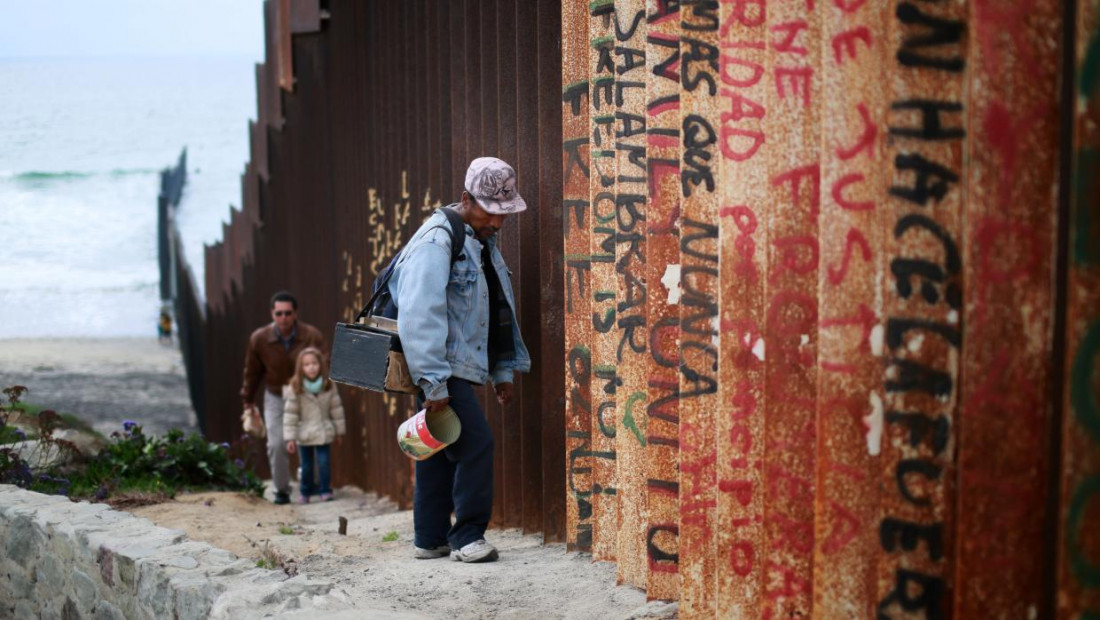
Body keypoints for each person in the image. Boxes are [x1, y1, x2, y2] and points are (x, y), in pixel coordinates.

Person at [388, 156, 531, 563]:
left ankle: (429, 538)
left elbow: (497, 307)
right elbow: (419, 315)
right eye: (492, 211)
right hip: (438, 368)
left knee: (435, 448)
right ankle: (467, 537)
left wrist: (502, 370)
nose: (499, 222)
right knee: (477, 444)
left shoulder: (479, 237)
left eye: (504, 213)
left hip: (451, 366)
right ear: (467, 198)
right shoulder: (438, 240)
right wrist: (433, 383)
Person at [240, 291, 325, 505]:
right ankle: (282, 489)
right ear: (272, 313)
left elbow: (325, 364)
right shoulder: (259, 339)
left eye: (288, 313)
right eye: (279, 313)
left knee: (311, 438)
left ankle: (311, 483)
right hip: (275, 396)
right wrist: (248, 399)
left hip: (305, 395)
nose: (283, 318)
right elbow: (252, 371)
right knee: (276, 443)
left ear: (295, 313)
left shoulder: (311, 336)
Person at [283, 346, 345, 504]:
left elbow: (336, 409)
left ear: (320, 365)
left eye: (314, 363)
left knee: (324, 463)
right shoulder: (296, 387)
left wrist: (339, 432)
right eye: (306, 364)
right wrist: (290, 438)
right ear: (301, 368)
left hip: (324, 432)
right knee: (306, 466)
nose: (311, 367)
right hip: (305, 433)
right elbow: (291, 414)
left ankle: (325, 490)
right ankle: (305, 492)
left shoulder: (328, 385)